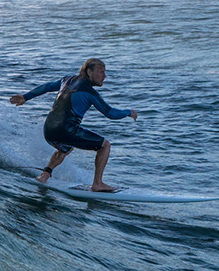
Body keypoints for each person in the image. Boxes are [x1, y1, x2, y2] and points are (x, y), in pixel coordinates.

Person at [10, 57, 137, 192]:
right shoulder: (89, 92)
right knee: (105, 145)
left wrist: (25, 97)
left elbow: (47, 87)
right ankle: (98, 183)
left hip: (48, 129)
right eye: (101, 72)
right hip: (66, 130)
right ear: (89, 72)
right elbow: (110, 113)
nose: (104, 76)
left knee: (65, 148)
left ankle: (44, 175)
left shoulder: (67, 80)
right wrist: (128, 112)